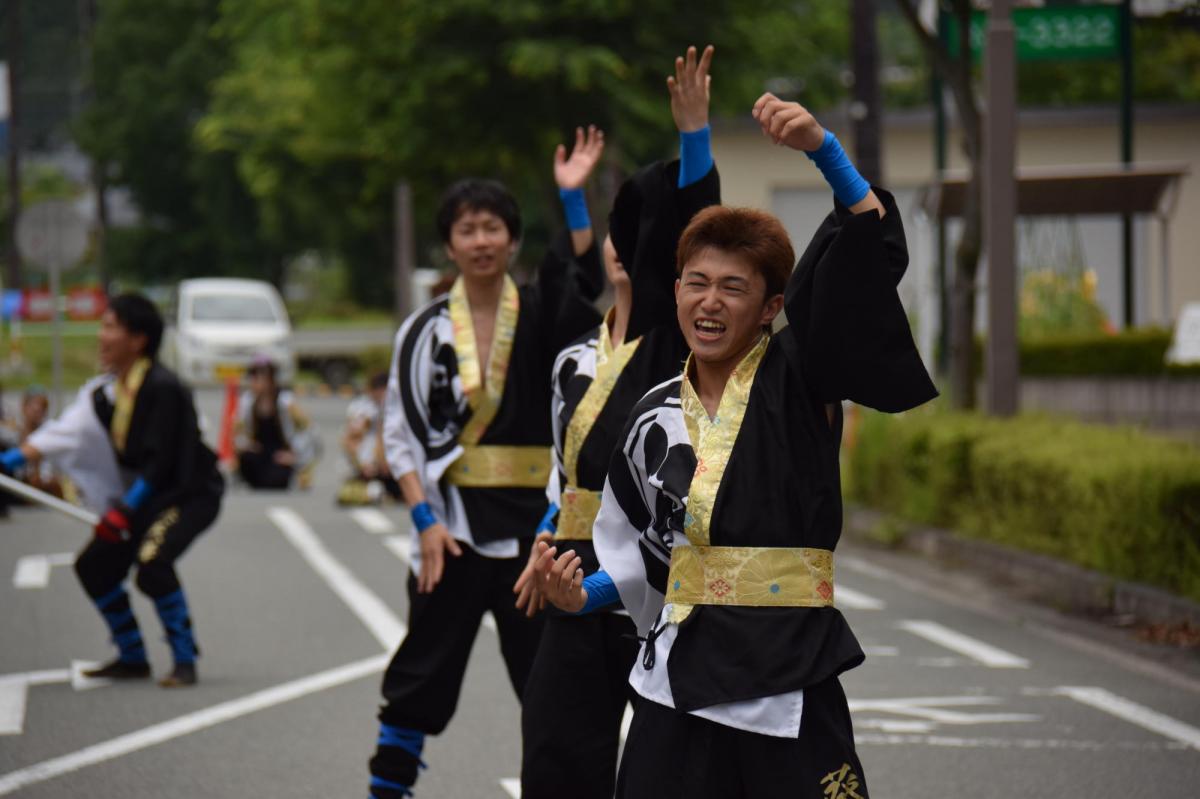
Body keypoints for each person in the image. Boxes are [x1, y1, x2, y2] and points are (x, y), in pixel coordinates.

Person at [534, 94, 938, 798]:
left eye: (732, 287)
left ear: (771, 306)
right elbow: (638, 561)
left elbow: (864, 244)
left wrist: (823, 150)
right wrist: (579, 595)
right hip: (677, 672)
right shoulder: (651, 415)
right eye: (696, 283)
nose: (709, 302)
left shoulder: (798, 379)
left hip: (788, 665)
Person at [367, 127, 606, 799]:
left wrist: (574, 198)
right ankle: (388, 792)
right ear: (448, 244)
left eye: (493, 226)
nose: (481, 240)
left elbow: (581, 274)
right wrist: (423, 521)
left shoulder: (543, 310)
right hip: (453, 529)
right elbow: (400, 430)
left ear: (512, 238)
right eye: (467, 229)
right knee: (419, 676)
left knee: (550, 682)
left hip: (538, 530)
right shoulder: (422, 330)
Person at [513, 45, 721, 799]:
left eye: (645, 236)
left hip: (660, 560)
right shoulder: (577, 345)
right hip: (573, 556)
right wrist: (542, 541)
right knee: (560, 738)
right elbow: (563, 280)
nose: (625, 245)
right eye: (615, 232)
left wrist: (694, 136)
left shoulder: (676, 339)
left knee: (675, 753)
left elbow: (698, 224)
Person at [0, 294, 225, 687]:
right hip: (148, 496)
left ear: (138, 339)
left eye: (109, 326)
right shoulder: (107, 392)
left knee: (152, 562)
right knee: (95, 565)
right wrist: (8, 463)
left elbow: (161, 463)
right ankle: (132, 656)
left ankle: (184, 659)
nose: (101, 336)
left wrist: (124, 511)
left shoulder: (163, 387)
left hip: (190, 494)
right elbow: (60, 436)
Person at [235, 356, 319, 490]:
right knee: (248, 461)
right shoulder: (247, 402)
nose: (253, 382)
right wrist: (245, 445)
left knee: (275, 479)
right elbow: (238, 432)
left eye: (258, 378)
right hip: (260, 453)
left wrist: (295, 454)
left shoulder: (286, 402)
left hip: (280, 453)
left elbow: (308, 429)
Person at [338, 372, 400, 505]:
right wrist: (362, 464)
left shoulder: (390, 407)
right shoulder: (365, 409)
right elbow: (350, 439)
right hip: (367, 466)